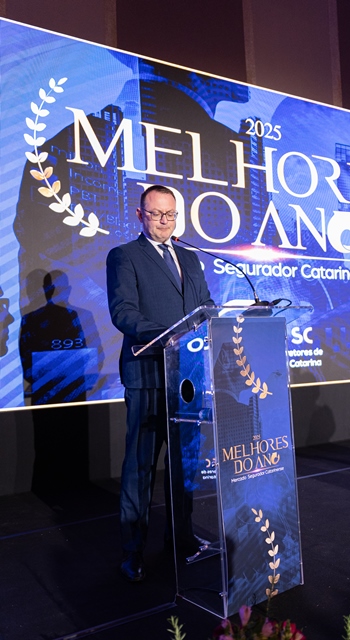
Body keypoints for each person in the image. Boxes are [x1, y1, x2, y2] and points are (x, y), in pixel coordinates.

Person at [106, 184, 214, 582]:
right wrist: (168, 336)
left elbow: (205, 305)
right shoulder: (124, 256)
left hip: (187, 379)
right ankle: (132, 551)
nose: (164, 221)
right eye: (155, 214)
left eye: (170, 214)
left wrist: (217, 321)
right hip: (148, 376)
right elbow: (123, 312)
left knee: (184, 465)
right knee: (140, 468)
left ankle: (181, 538)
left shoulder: (189, 257)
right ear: (140, 215)